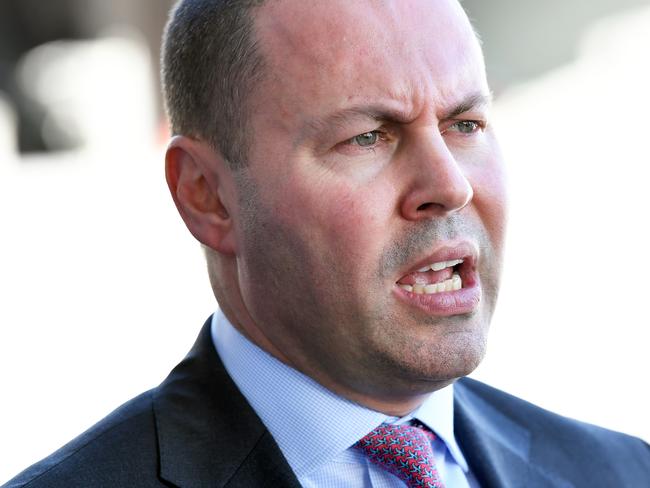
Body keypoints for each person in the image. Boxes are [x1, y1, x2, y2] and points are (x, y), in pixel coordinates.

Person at [4, 0, 649, 487]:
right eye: (368, 136)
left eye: (466, 123)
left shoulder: (620, 471)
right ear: (206, 194)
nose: (449, 186)